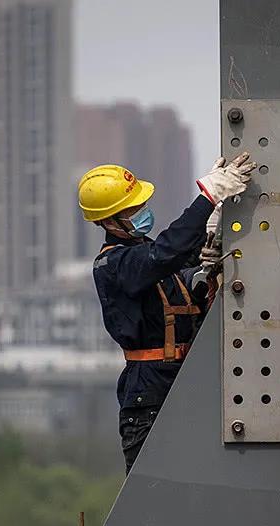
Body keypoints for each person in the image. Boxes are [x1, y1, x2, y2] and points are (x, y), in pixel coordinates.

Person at [78, 152, 256, 473]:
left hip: (184, 378)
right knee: (155, 489)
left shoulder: (146, 256)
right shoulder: (115, 265)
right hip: (150, 392)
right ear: (108, 222)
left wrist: (210, 230)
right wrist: (206, 198)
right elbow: (165, 253)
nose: (142, 213)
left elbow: (181, 263)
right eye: (133, 210)